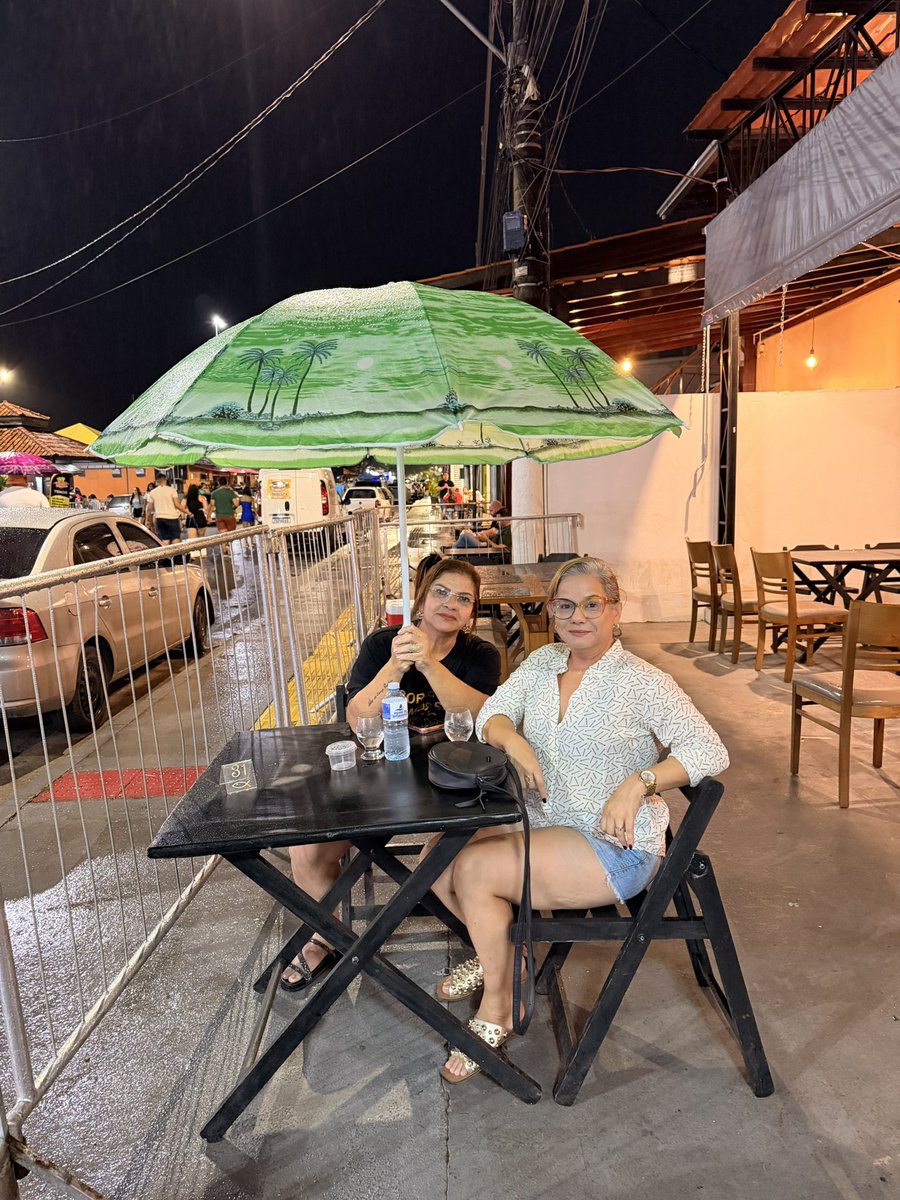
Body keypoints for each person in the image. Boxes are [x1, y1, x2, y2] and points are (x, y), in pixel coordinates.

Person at [431, 556, 729, 1083]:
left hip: (609, 844)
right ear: (551, 610)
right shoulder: (545, 663)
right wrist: (515, 741)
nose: (579, 616)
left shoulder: (643, 682)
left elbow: (709, 750)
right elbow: (490, 715)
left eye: (593, 604)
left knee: (475, 871)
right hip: (545, 824)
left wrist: (640, 782)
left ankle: (500, 1004)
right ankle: (498, 953)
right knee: (438, 853)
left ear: (615, 610)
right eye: (566, 605)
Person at [281, 554, 502, 991]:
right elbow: (358, 717)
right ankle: (326, 935)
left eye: (463, 599)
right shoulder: (383, 645)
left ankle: (491, 949)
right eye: (441, 592)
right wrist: (396, 666)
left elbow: (482, 714)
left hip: (450, 782)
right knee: (306, 852)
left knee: (442, 863)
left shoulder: (481, 655)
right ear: (420, 601)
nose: (450, 604)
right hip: (378, 779)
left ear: (472, 613)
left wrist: (429, 665)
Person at [144, 473, 184, 544]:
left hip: (160, 518)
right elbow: (177, 504)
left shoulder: (152, 492)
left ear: (156, 481)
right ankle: (176, 554)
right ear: (165, 480)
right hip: (172, 518)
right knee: (175, 539)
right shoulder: (172, 490)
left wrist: (147, 520)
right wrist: (187, 512)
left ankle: (166, 554)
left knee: (165, 539)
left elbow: (149, 508)